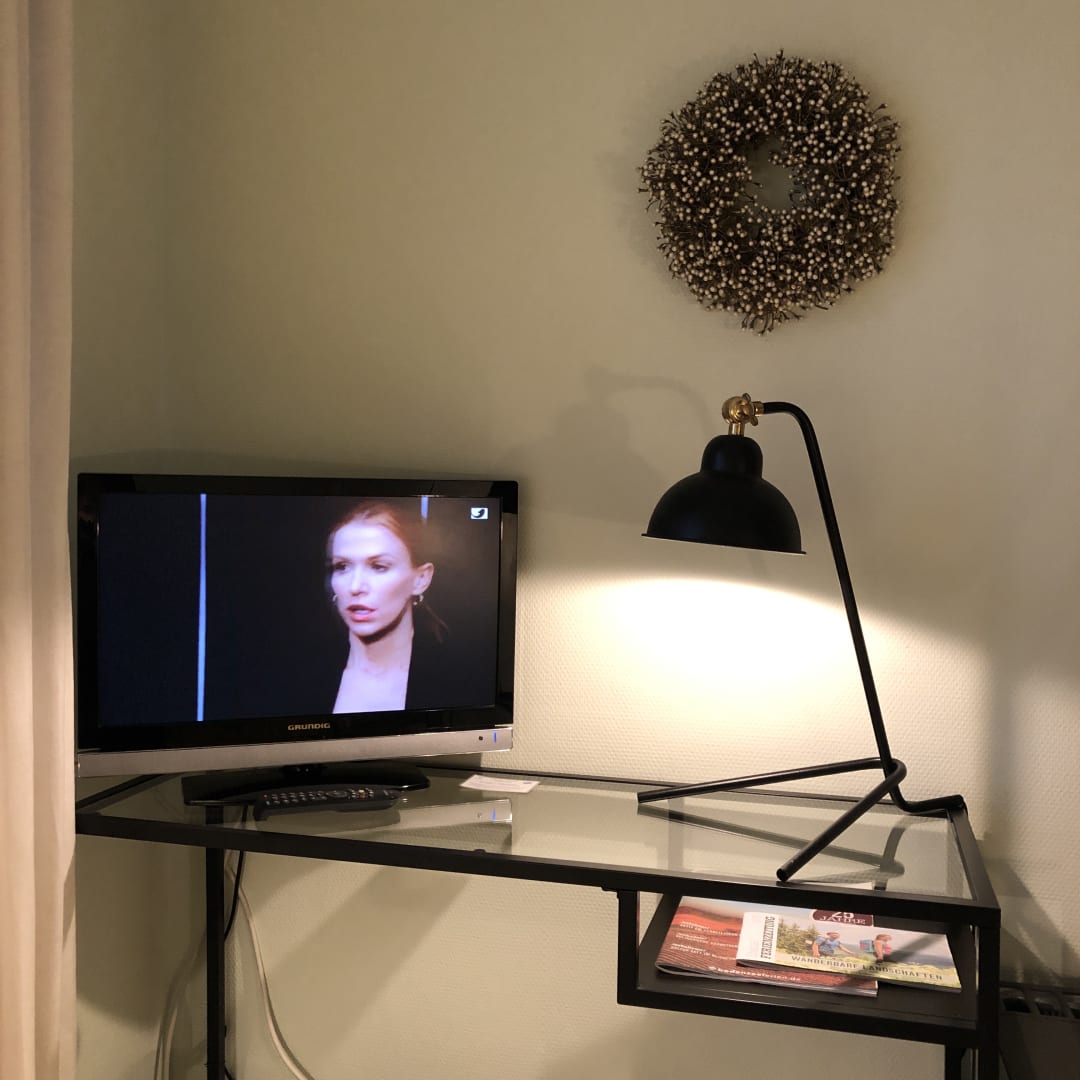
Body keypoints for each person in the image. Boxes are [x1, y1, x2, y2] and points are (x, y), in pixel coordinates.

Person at [326, 499, 446, 714]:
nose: (355, 587)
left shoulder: (458, 679)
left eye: (379, 567)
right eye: (342, 567)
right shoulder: (295, 674)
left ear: (421, 579)